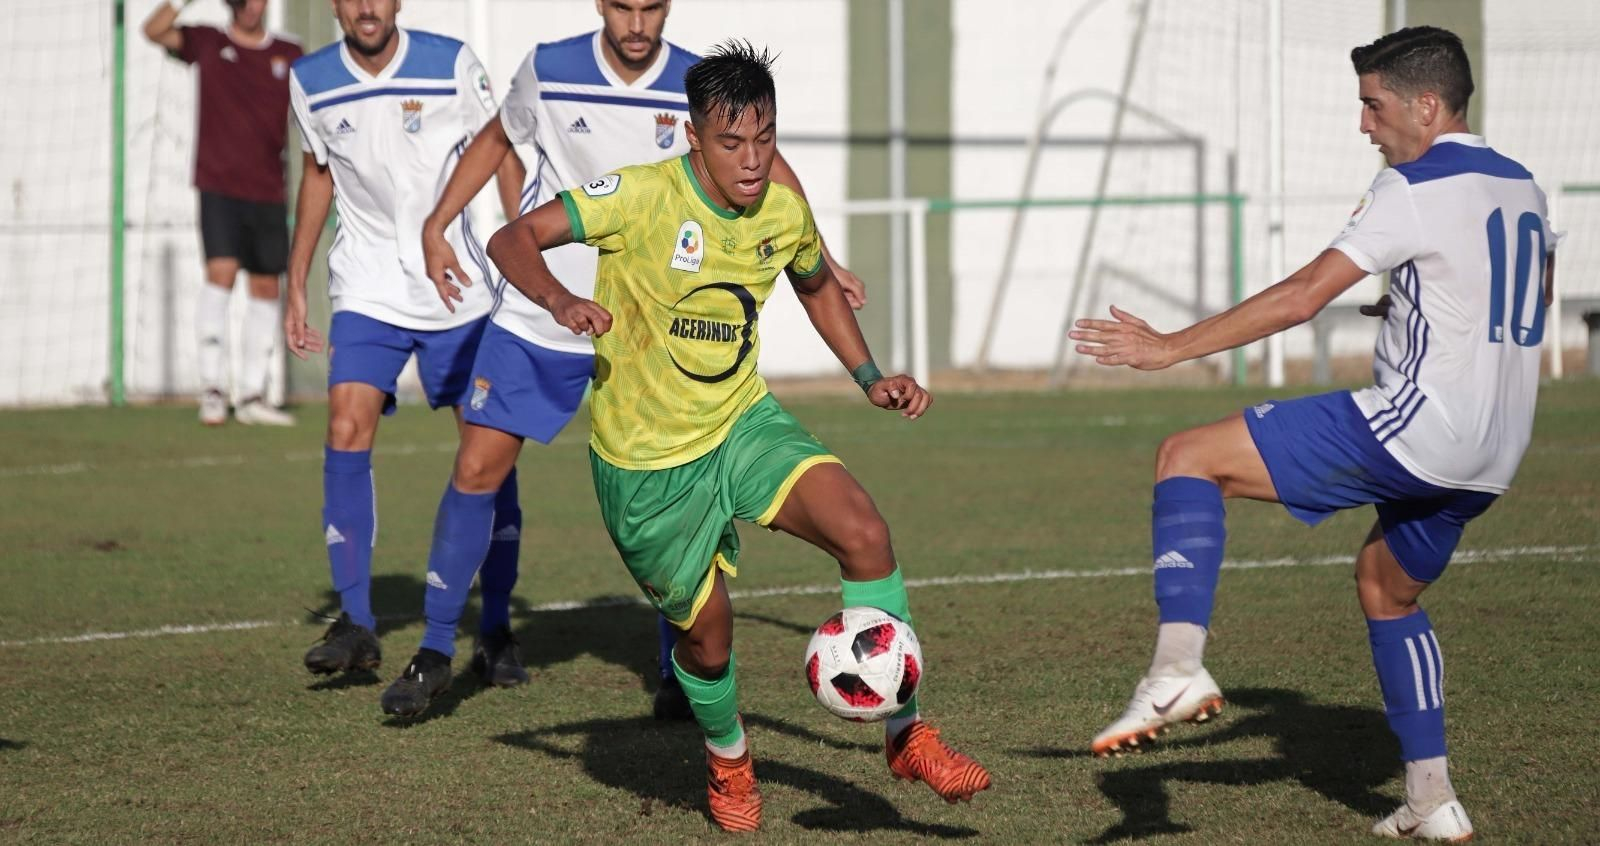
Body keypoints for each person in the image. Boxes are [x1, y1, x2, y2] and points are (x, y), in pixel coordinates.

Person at [486, 41, 990, 833]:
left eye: (764, 138)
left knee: (864, 532)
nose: (752, 160)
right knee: (709, 643)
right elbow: (511, 238)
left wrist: (869, 376)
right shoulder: (639, 196)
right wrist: (558, 300)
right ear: (693, 136)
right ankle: (728, 758)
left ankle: (907, 733)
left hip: (741, 423)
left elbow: (816, 283)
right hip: (648, 464)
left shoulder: (782, 211)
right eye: (731, 143)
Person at [1069, 26, 1555, 842]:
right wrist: (1416, 299)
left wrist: (1169, 347)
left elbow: (1301, 297)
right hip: (1495, 451)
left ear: (1426, 105)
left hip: (1418, 430)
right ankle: (1431, 799)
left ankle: (1176, 669)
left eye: (1374, 105)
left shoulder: (1412, 185)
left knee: (1187, 456)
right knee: (1386, 589)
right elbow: (1528, 294)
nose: (1364, 124)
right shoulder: (1523, 184)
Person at [405, 0, 867, 722]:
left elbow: (768, 164)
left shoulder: (698, 82)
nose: (637, 23)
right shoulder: (549, 67)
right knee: (478, 466)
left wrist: (824, 260)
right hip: (546, 306)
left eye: (651, 6)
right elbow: (497, 140)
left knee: (672, 470)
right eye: (623, 6)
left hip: (653, 324)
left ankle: (675, 672)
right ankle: (440, 648)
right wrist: (438, 224)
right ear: (600, 4)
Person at [283, 0, 528, 698]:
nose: (366, 7)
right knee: (344, 425)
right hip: (367, 287)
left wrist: (524, 246)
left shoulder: (450, 64)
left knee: (486, 454)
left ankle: (496, 627)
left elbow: (501, 147)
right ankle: (356, 622)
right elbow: (319, 173)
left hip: (457, 288)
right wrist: (296, 281)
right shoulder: (310, 79)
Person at [143, 0, 302, 426]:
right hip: (218, 187)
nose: (252, 6)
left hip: (269, 189)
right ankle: (212, 390)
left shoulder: (290, 53)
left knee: (266, 286)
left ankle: (252, 395)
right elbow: (153, 31)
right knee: (221, 275)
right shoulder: (208, 42)